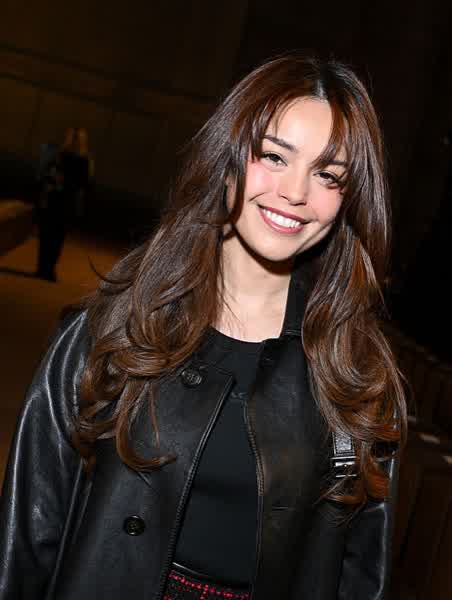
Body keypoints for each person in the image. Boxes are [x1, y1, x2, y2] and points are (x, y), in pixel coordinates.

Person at [0, 55, 406, 599]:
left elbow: (359, 576)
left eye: (328, 175)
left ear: (348, 200)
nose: (295, 192)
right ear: (228, 157)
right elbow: (28, 538)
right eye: (273, 156)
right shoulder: (111, 330)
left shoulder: (356, 376)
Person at [35, 127, 91, 281]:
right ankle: (43, 268)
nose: (74, 142)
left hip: (65, 203)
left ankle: (48, 268)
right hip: (54, 201)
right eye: (73, 138)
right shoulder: (59, 155)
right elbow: (46, 175)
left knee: (55, 238)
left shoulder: (83, 160)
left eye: (76, 139)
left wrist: (65, 184)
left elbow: (84, 185)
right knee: (47, 236)